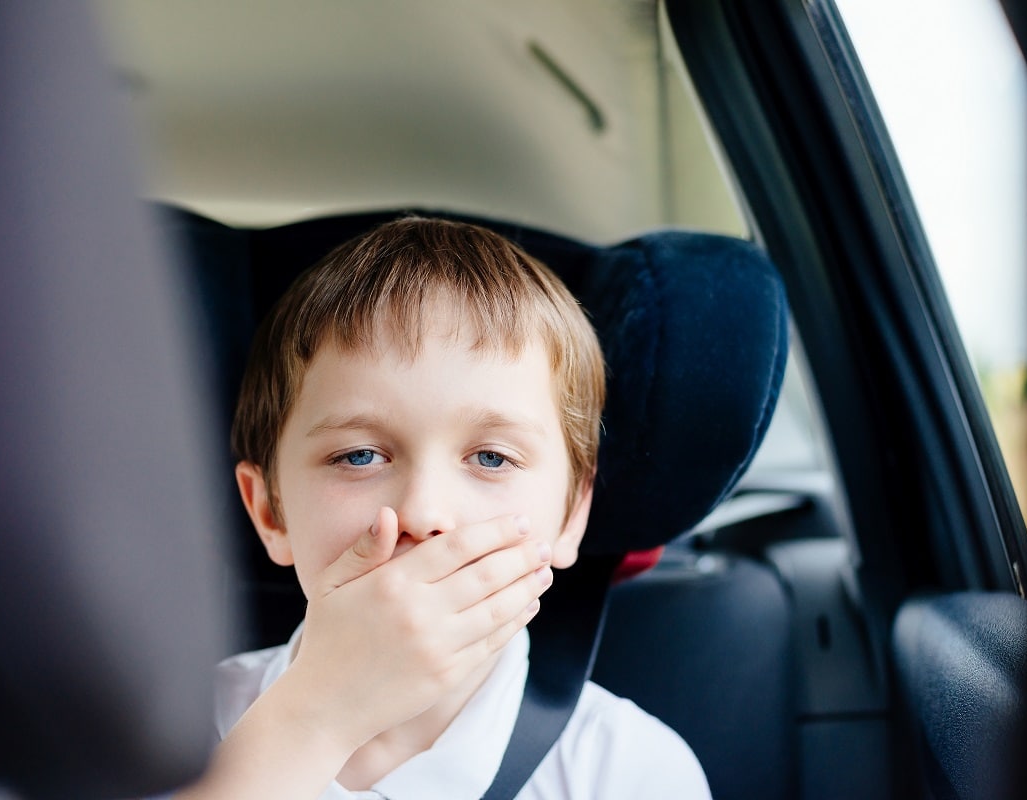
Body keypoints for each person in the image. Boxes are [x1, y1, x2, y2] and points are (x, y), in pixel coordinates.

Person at [171, 216, 712, 799]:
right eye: (358, 456)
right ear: (270, 513)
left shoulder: (627, 772)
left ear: (571, 515)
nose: (424, 513)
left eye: (492, 458)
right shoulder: (158, 737)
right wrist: (314, 716)